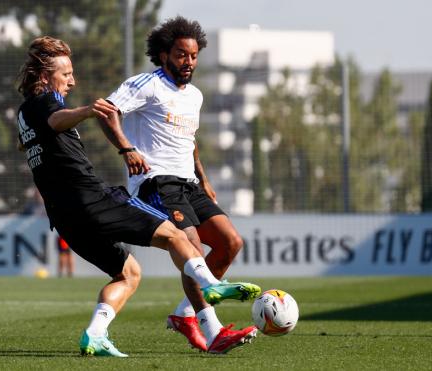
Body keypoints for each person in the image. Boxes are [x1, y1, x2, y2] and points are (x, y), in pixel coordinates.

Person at [15, 36, 260, 357]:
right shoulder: (47, 102)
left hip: (63, 217)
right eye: (66, 74)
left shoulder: (23, 114)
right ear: (46, 77)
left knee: (128, 274)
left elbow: (31, 140)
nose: (72, 80)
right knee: (174, 235)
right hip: (90, 199)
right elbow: (56, 120)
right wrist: (87, 111)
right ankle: (210, 287)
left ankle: (96, 333)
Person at [102, 17, 252, 351]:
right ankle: (212, 331)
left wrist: (204, 178)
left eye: (194, 56)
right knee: (193, 249)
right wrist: (126, 149)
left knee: (231, 243)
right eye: (182, 55)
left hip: (190, 184)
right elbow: (107, 111)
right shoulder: (147, 84)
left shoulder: (195, 96)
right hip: (157, 183)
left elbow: (189, 140)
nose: (189, 62)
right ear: (165, 54)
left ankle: (185, 314)